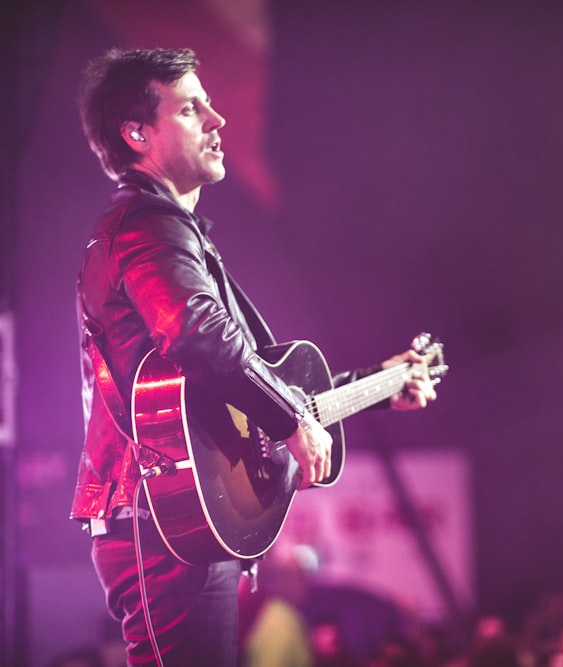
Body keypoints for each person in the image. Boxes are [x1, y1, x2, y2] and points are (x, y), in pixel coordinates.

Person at [70, 47, 438, 666]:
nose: (217, 120)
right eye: (191, 108)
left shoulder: (169, 230)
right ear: (138, 134)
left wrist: (380, 381)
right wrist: (291, 422)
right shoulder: (145, 224)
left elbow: (245, 374)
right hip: (158, 521)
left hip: (175, 523)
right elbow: (197, 331)